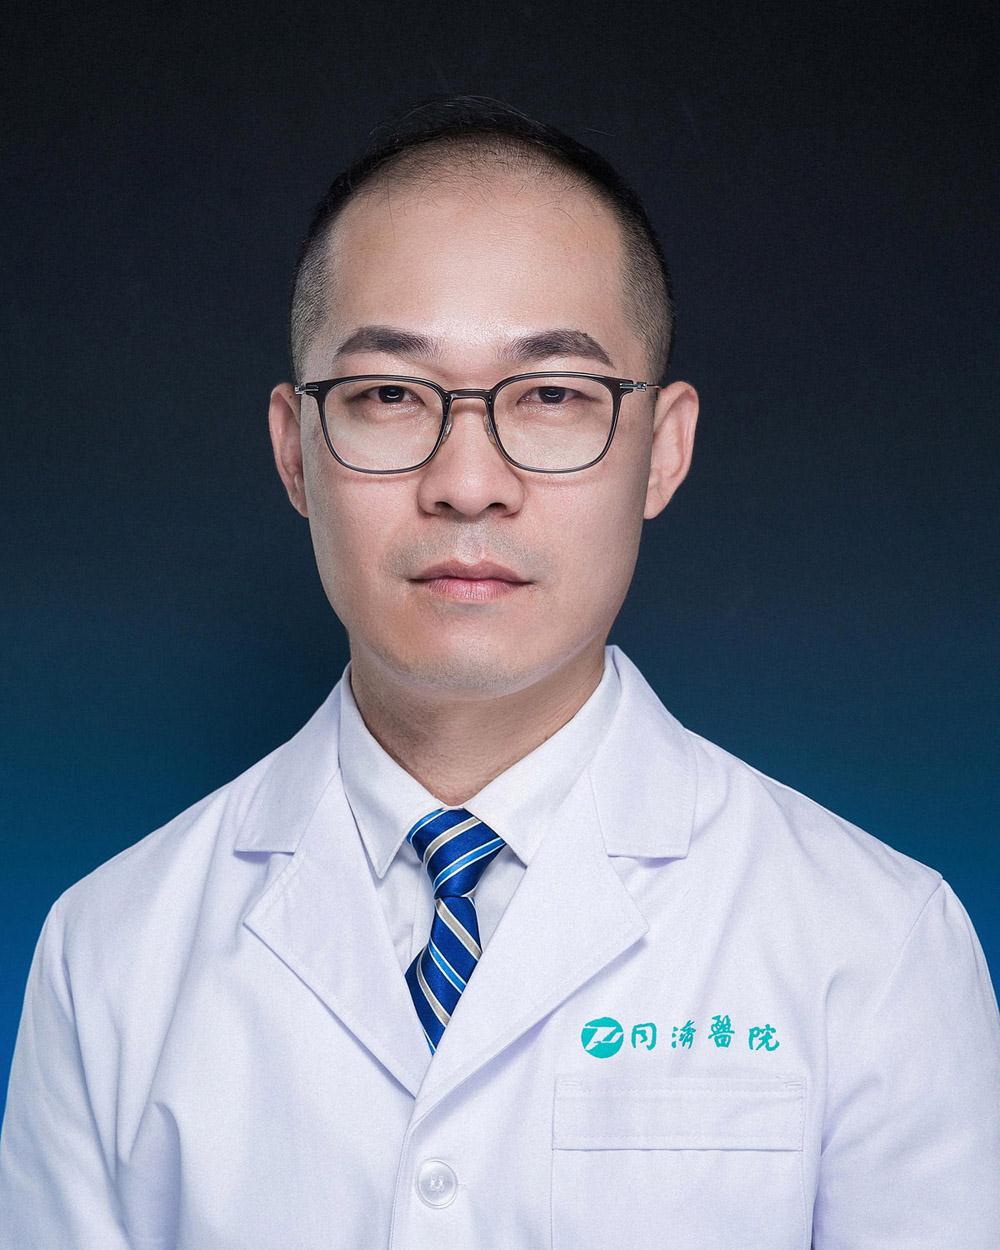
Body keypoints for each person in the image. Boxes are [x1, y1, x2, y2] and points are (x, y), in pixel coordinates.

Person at [1, 93, 997, 1250]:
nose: (467, 483)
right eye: (387, 395)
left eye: (554, 395)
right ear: (293, 450)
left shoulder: (874, 946)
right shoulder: (109, 952)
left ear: (663, 449)